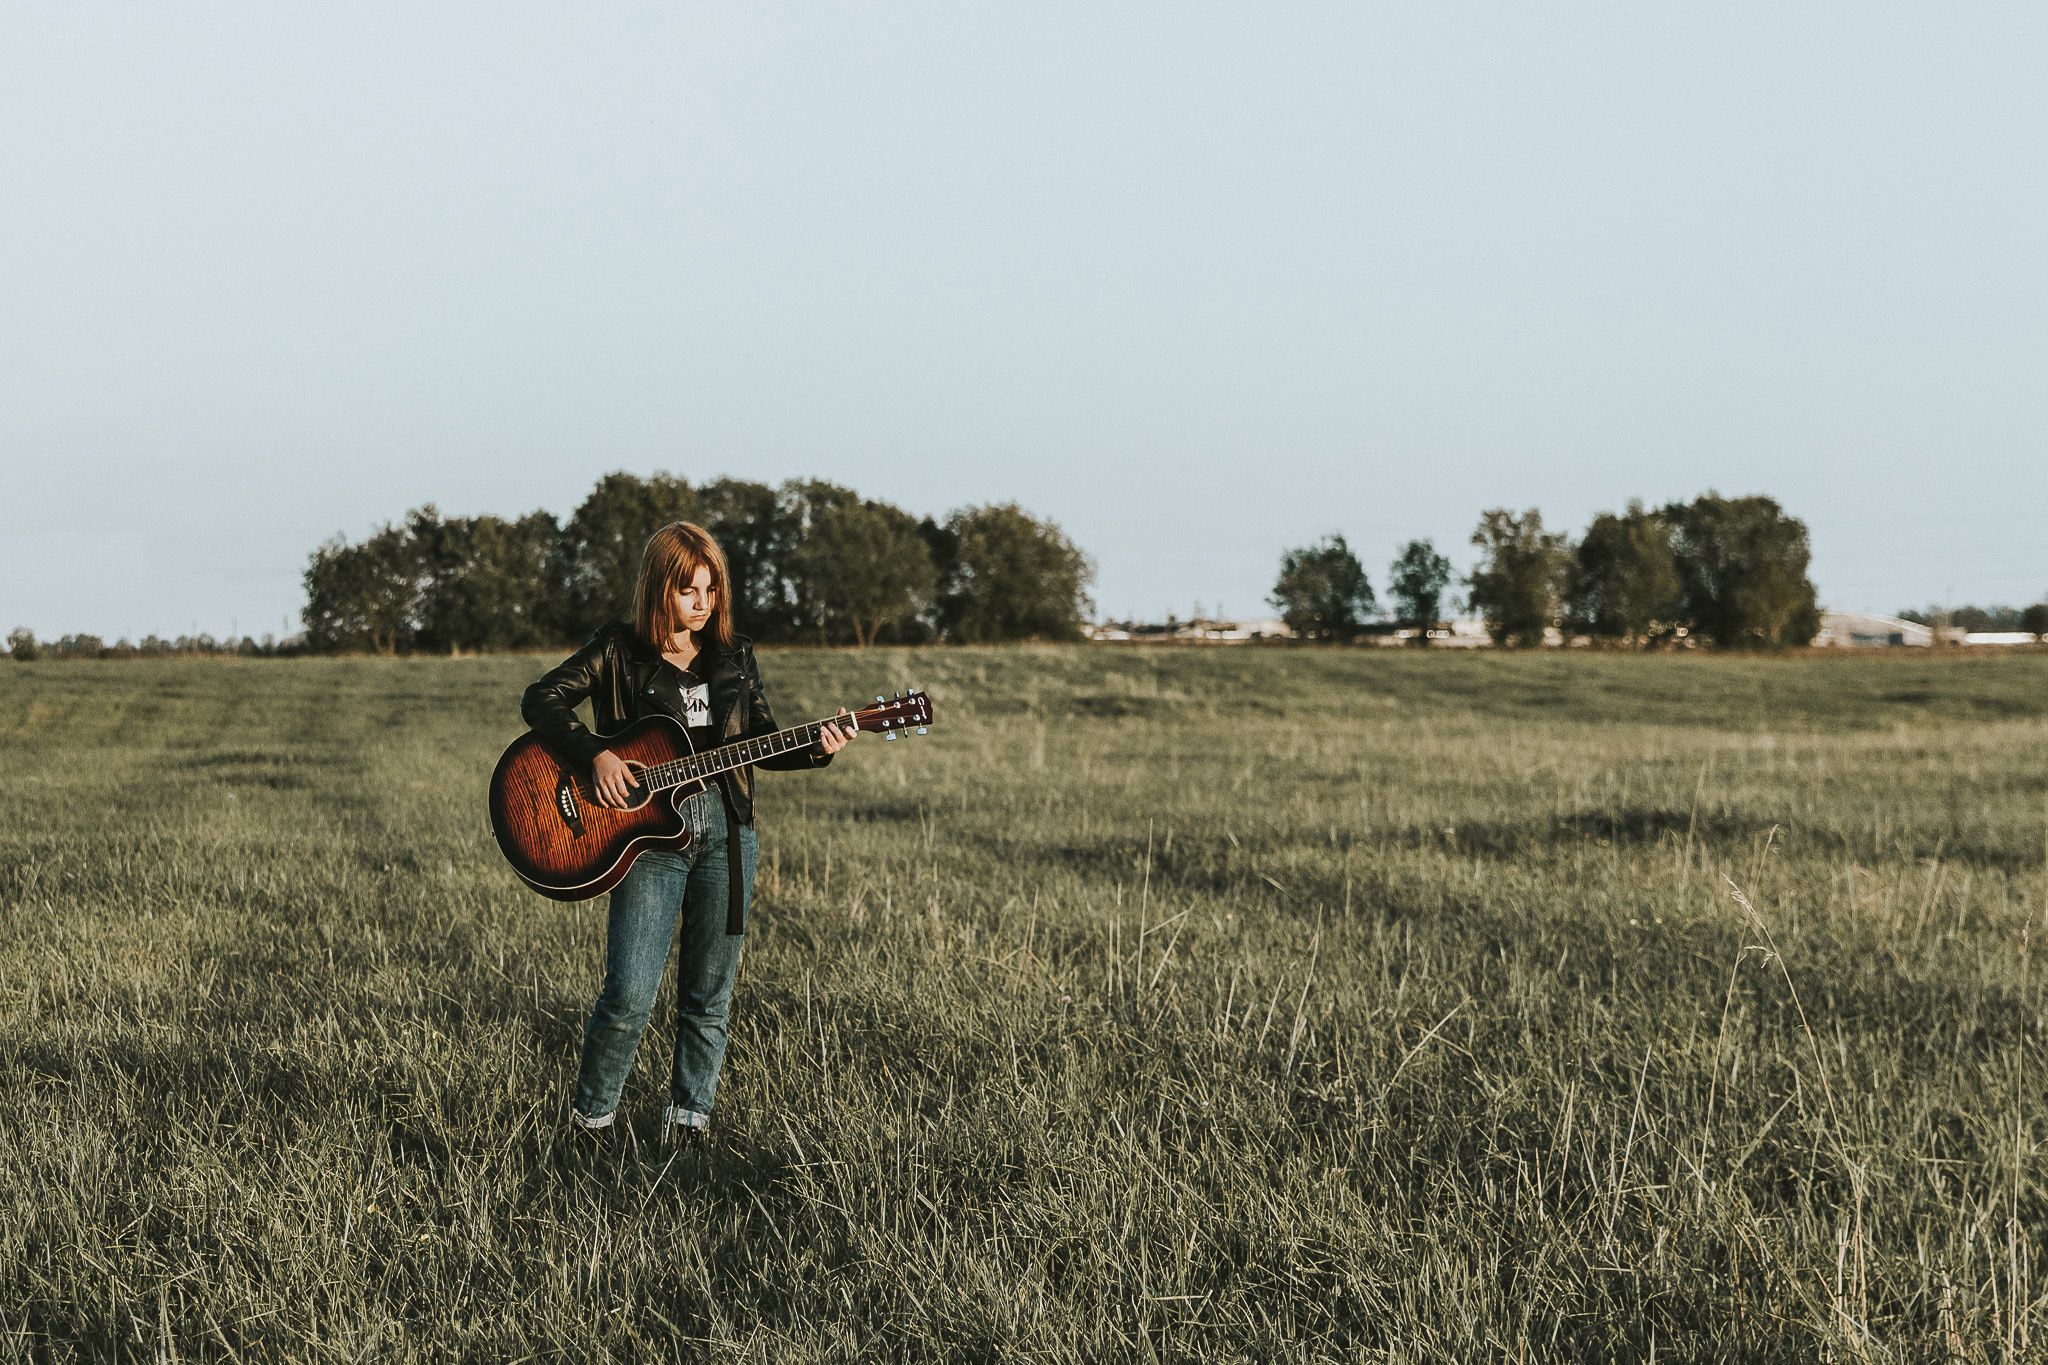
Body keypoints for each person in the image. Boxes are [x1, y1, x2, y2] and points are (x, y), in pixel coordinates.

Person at [521, 522, 854, 1139]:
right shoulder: (618, 650)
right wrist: (595, 754)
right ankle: (589, 1124)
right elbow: (542, 699)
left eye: (711, 590)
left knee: (709, 997)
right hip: (646, 840)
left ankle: (688, 1125)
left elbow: (759, 742)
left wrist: (819, 747)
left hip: (728, 834)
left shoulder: (734, 656)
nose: (703, 604)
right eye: (688, 591)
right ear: (658, 588)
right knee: (627, 997)